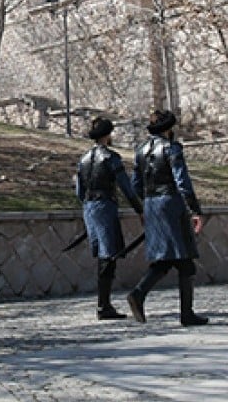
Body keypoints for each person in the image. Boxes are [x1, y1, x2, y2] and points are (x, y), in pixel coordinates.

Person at [126, 110, 209, 326]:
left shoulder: (140, 151)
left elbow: (135, 184)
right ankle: (182, 312)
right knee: (183, 258)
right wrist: (195, 210)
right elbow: (182, 182)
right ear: (168, 128)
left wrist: (146, 204)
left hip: (151, 204)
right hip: (170, 204)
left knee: (168, 258)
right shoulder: (172, 149)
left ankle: (141, 294)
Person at [76, 116, 143, 319]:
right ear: (108, 134)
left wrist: (87, 205)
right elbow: (126, 187)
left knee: (103, 255)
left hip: (89, 206)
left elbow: (79, 190)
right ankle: (103, 305)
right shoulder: (111, 158)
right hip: (104, 205)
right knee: (108, 255)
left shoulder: (83, 159)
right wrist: (139, 210)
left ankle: (104, 303)